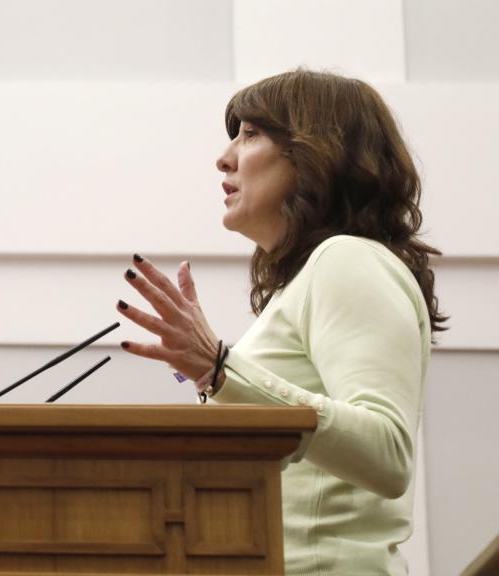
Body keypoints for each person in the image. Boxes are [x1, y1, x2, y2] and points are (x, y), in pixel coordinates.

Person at [116, 69, 446, 575]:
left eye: (250, 135)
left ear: (317, 153)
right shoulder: (309, 279)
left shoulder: (348, 259)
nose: (224, 158)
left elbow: (388, 452)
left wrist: (221, 370)